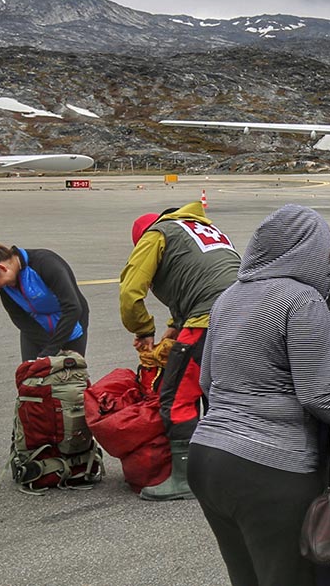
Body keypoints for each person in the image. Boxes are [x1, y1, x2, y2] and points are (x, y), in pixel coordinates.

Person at [189, 205, 330, 586]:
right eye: (327, 257)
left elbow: (207, 382)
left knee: (245, 576)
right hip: (270, 469)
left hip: (205, 458)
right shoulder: (303, 300)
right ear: (304, 251)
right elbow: (318, 395)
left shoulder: (228, 297)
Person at [119, 199, 242, 501]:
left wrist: (143, 329)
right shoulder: (202, 228)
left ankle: (185, 478)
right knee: (223, 394)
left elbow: (130, 292)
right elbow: (198, 278)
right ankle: (229, 471)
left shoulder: (155, 235)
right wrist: (175, 324)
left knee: (176, 398)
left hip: (208, 320)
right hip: (247, 312)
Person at [0, 243, 89, 357]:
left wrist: (53, 349)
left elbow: (73, 308)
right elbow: (19, 317)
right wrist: (46, 349)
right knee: (31, 372)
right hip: (36, 328)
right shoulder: (5, 284)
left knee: (70, 373)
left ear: (2, 268)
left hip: (70, 324)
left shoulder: (46, 263)